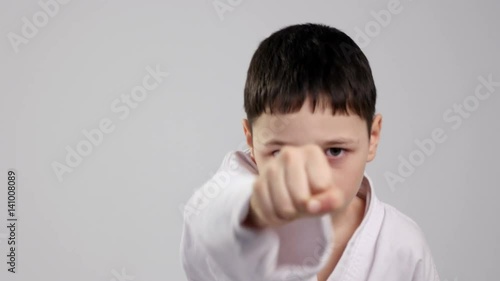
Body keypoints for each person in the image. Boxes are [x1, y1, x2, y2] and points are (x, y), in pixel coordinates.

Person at [180, 23, 440, 281]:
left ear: (372, 137)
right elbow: (206, 223)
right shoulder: (233, 196)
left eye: (335, 151)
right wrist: (255, 214)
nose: (310, 175)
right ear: (250, 138)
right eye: (281, 154)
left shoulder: (403, 245)